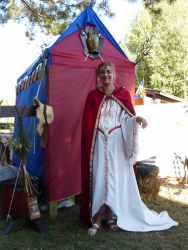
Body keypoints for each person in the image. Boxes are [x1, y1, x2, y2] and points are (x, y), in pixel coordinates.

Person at [79, 61, 178, 236]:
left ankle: (110, 217)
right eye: (102, 72)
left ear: (114, 74)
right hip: (99, 142)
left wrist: (136, 118)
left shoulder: (122, 94)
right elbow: (88, 124)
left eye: (109, 71)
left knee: (114, 179)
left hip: (116, 143)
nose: (106, 74)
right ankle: (96, 220)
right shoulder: (92, 96)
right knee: (100, 179)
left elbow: (126, 117)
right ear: (98, 75)